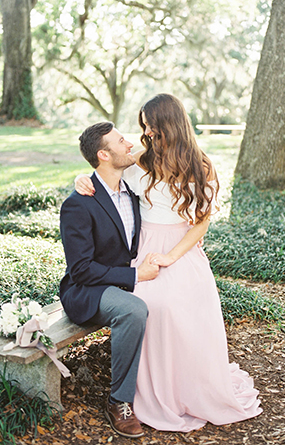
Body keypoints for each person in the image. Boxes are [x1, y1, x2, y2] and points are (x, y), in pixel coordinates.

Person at [75, 94, 262, 432]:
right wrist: (81, 179)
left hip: (181, 249)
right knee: (151, 304)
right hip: (145, 247)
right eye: (143, 127)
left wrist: (173, 256)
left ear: (171, 124)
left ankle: (189, 389)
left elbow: (201, 222)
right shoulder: (141, 158)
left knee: (183, 305)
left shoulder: (200, 165)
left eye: (152, 126)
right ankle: (143, 393)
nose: (146, 133)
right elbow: (106, 168)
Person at [60, 122, 160, 439]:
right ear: (104, 154)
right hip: (87, 291)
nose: (128, 143)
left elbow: (157, 149)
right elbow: (81, 270)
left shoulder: (130, 190)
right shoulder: (78, 203)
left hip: (122, 283)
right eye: (121, 141)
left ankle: (162, 387)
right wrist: (135, 275)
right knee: (133, 310)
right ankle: (120, 401)